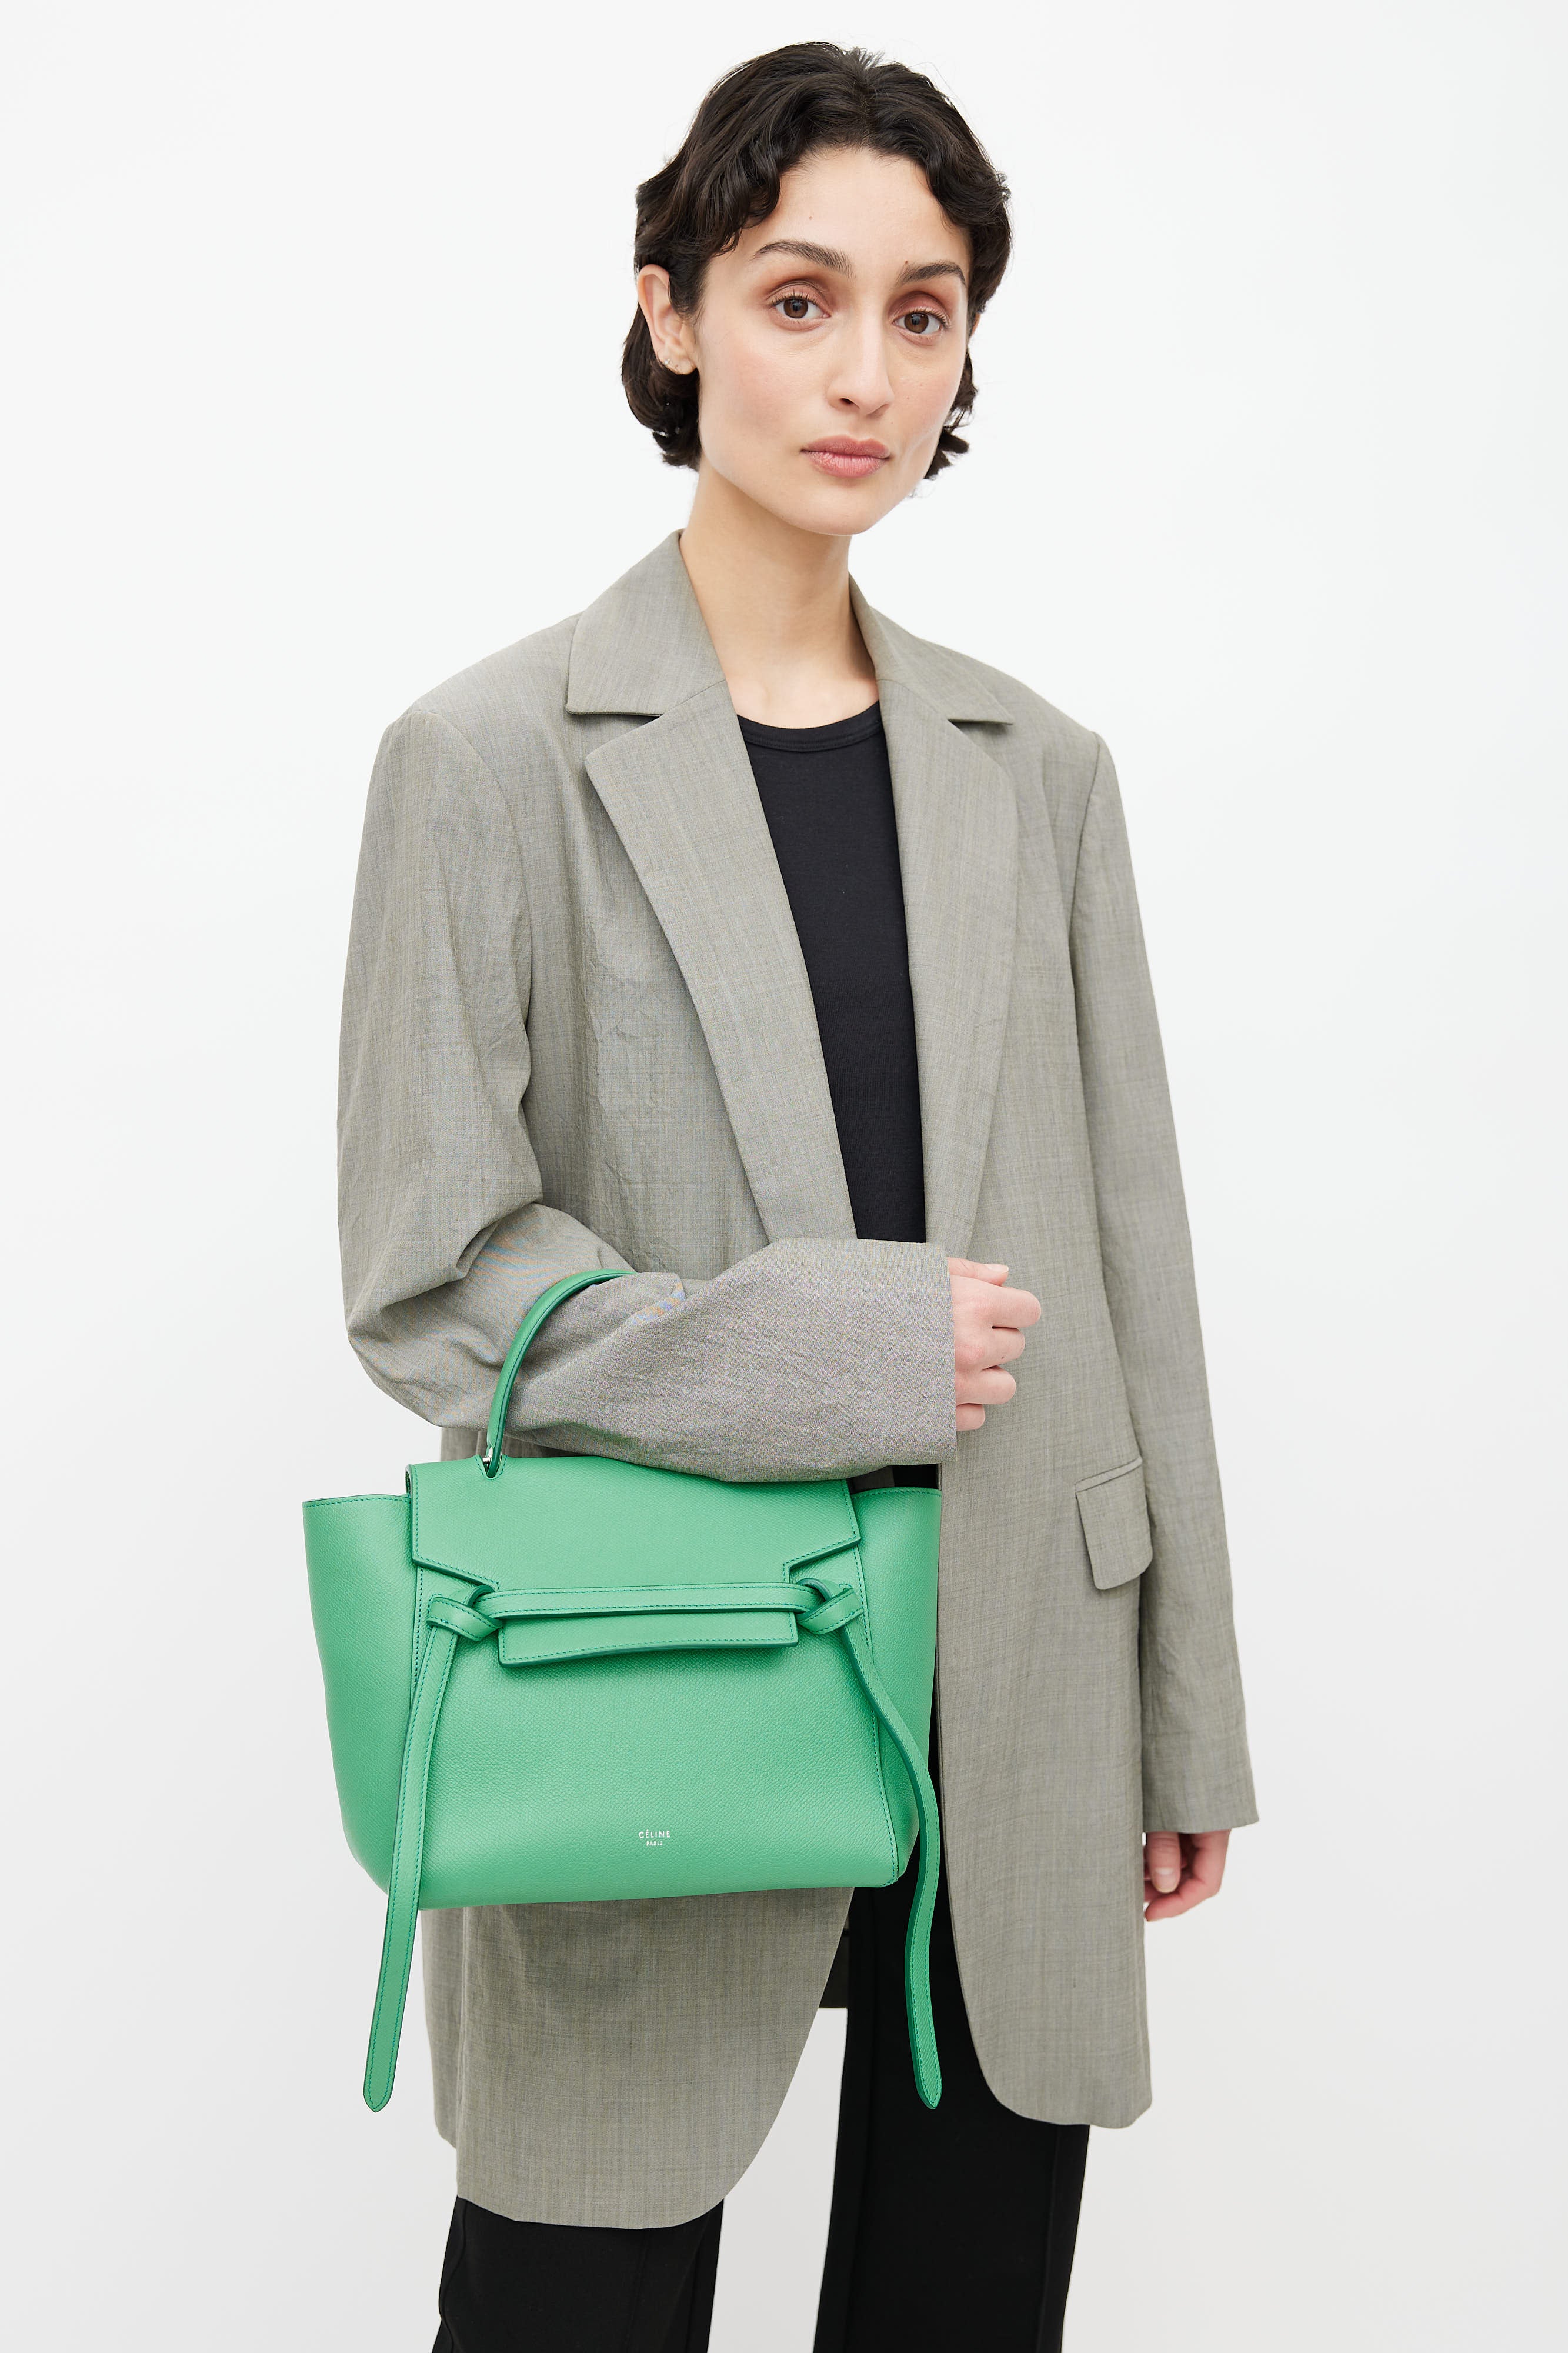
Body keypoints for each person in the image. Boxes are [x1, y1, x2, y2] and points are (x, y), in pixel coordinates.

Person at [338, 41, 1256, 2353]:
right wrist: (824, 1350)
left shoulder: (1039, 770)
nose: (866, 376)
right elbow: (431, 1275)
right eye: (796, 298)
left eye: (922, 315)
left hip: (1013, 1691)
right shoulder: (484, 758)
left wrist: (1182, 1715)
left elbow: (1132, 1263)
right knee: (578, 2296)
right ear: (668, 313)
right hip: (653, 1670)